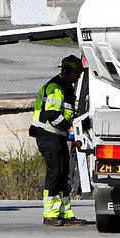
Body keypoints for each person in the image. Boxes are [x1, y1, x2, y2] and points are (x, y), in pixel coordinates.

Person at [31, 54, 83, 226]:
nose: (78, 77)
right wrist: (69, 128)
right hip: (47, 135)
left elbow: (68, 113)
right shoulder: (55, 87)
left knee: (62, 174)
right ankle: (50, 215)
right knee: (55, 172)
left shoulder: (66, 87)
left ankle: (65, 213)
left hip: (57, 136)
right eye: (76, 74)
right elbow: (52, 114)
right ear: (67, 71)